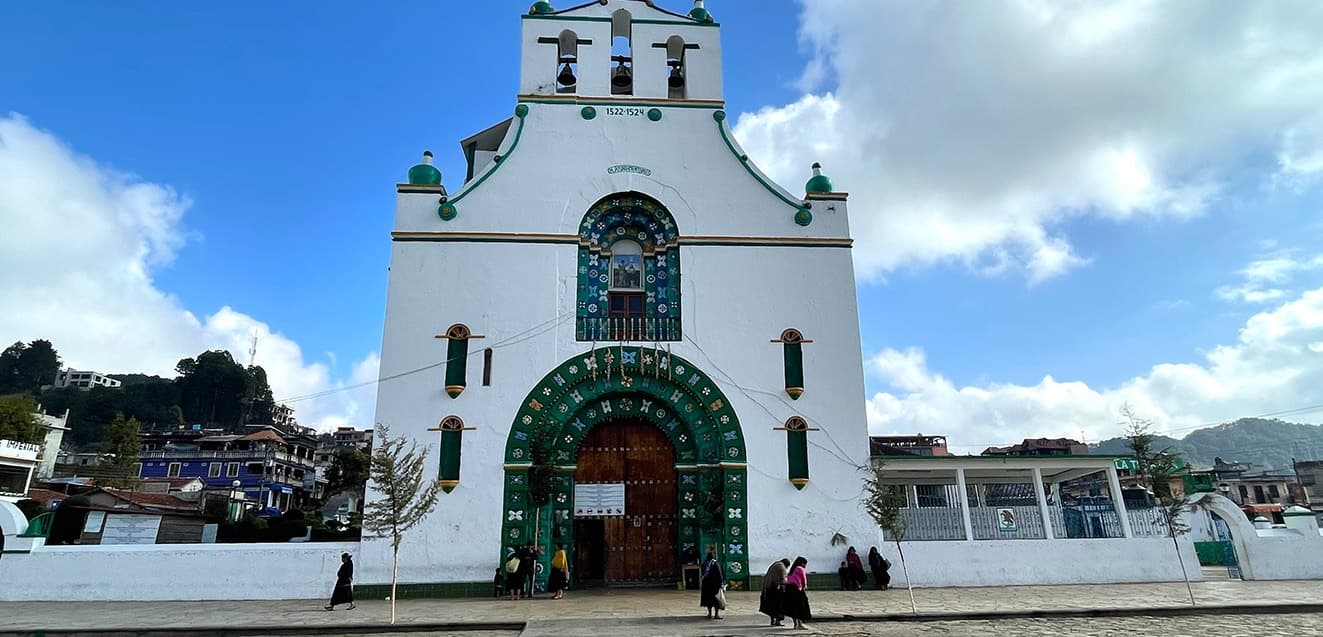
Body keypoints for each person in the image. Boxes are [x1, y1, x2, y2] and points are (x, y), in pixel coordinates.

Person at [759, 558, 790, 626]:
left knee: (771, 606)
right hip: (776, 589)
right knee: (779, 606)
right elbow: (783, 579)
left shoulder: (774, 565)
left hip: (768, 589)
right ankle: (778, 621)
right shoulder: (782, 567)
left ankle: (772, 620)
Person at [784, 556, 812, 630]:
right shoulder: (800, 568)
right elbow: (803, 579)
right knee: (801, 606)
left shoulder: (792, 569)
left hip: (789, 589)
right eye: (805, 564)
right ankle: (800, 624)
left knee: (793, 607)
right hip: (796, 589)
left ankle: (795, 624)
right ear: (802, 563)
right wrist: (804, 586)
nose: (805, 566)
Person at [699, 550, 725, 619]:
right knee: (716, 600)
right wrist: (721, 583)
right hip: (714, 585)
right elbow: (719, 574)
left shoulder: (705, 563)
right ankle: (716, 614)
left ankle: (710, 614)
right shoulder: (715, 563)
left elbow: (702, 572)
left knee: (708, 600)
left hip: (706, 584)